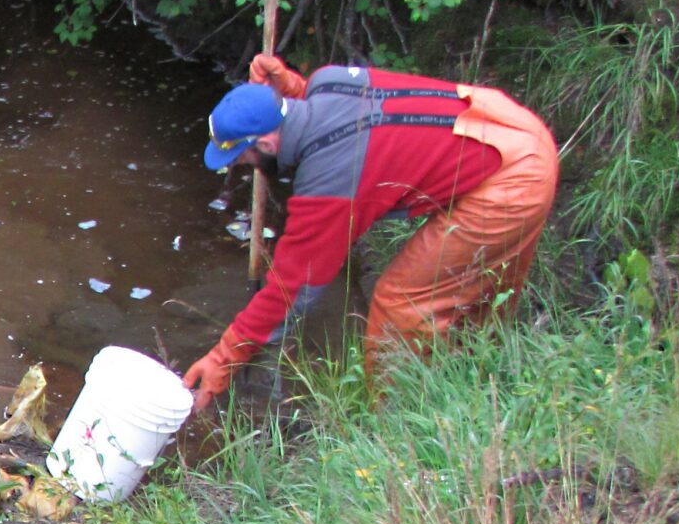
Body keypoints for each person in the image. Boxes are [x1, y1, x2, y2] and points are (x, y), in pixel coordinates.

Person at [183, 55, 559, 409]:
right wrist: (291, 89)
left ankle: (394, 420)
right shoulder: (325, 82)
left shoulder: (329, 182)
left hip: (512, 177)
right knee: (473, 289)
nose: (245, 167)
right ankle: (479, 374)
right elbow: (329, 112)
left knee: (401, 303)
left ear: (266, 143)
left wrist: (225, 357)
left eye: (244, 158)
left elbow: (292, 286)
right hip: (503, 122)